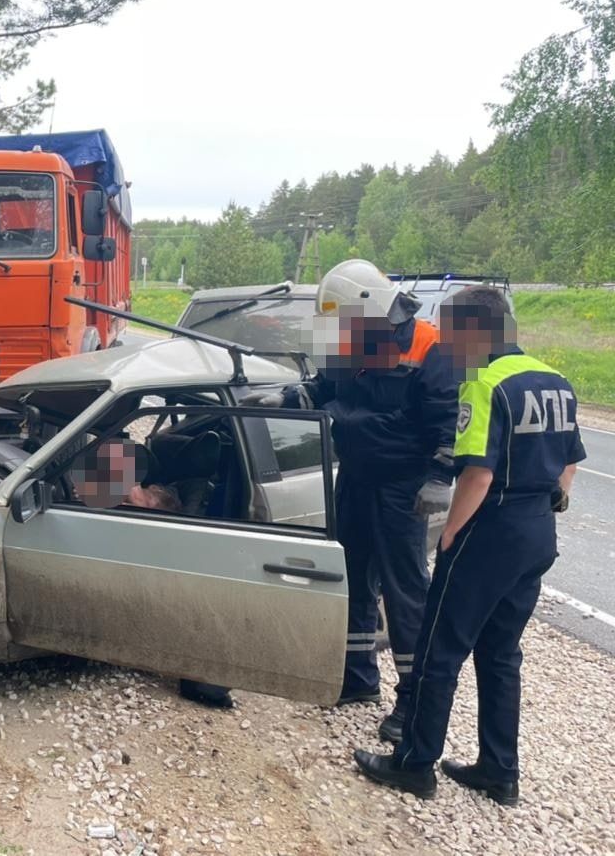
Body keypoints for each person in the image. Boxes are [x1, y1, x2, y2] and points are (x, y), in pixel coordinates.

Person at [354, 287, 584, 804]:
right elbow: (571, 458)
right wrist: (556, 499)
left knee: (440, 649)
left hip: (490, 529)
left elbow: (477, 474)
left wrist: (453, 531)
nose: (450, 343)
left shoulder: (484, 383)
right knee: (501, 654)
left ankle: (414, 763)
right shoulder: (556, 380)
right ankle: (499, 770)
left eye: (454, 331)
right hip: (537, 531)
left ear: (478, 331)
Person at [239, 260, 458, 739]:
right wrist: (287, 400)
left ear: (369, 306)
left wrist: (439, 478)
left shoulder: (429, 345)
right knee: (354, 577)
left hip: (403, 486)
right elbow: (325, 387)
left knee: (405, 592)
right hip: (357, 476)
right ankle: (358, 678)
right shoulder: (354, 339)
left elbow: (447, 416)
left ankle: (414, 702)